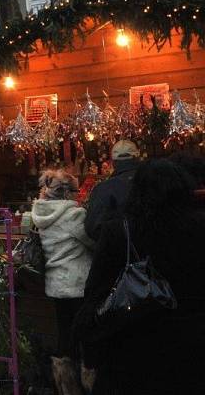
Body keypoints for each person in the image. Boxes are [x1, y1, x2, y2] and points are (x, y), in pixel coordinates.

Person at [76, 159, 205, 394]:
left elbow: (95, 297)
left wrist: (91, 355)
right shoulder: (198, 229)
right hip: (192, 355)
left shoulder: (121, 232)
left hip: (130, 355)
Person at [31, 169, 93, 392]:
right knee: (86, 335)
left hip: (56, 285)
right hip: (78, 284)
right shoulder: (73, 215)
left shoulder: (41, 214)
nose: (79, 194)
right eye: (76, 190)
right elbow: (92, 240)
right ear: (67, 192)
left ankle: (65, 385)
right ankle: (88, 383)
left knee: (64, 334)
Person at [84, 140, 140, 241]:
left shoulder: (104, 189)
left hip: (119, 252)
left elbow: (92, 228)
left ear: (113, 163)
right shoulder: (155, 181)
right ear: (137, 158)